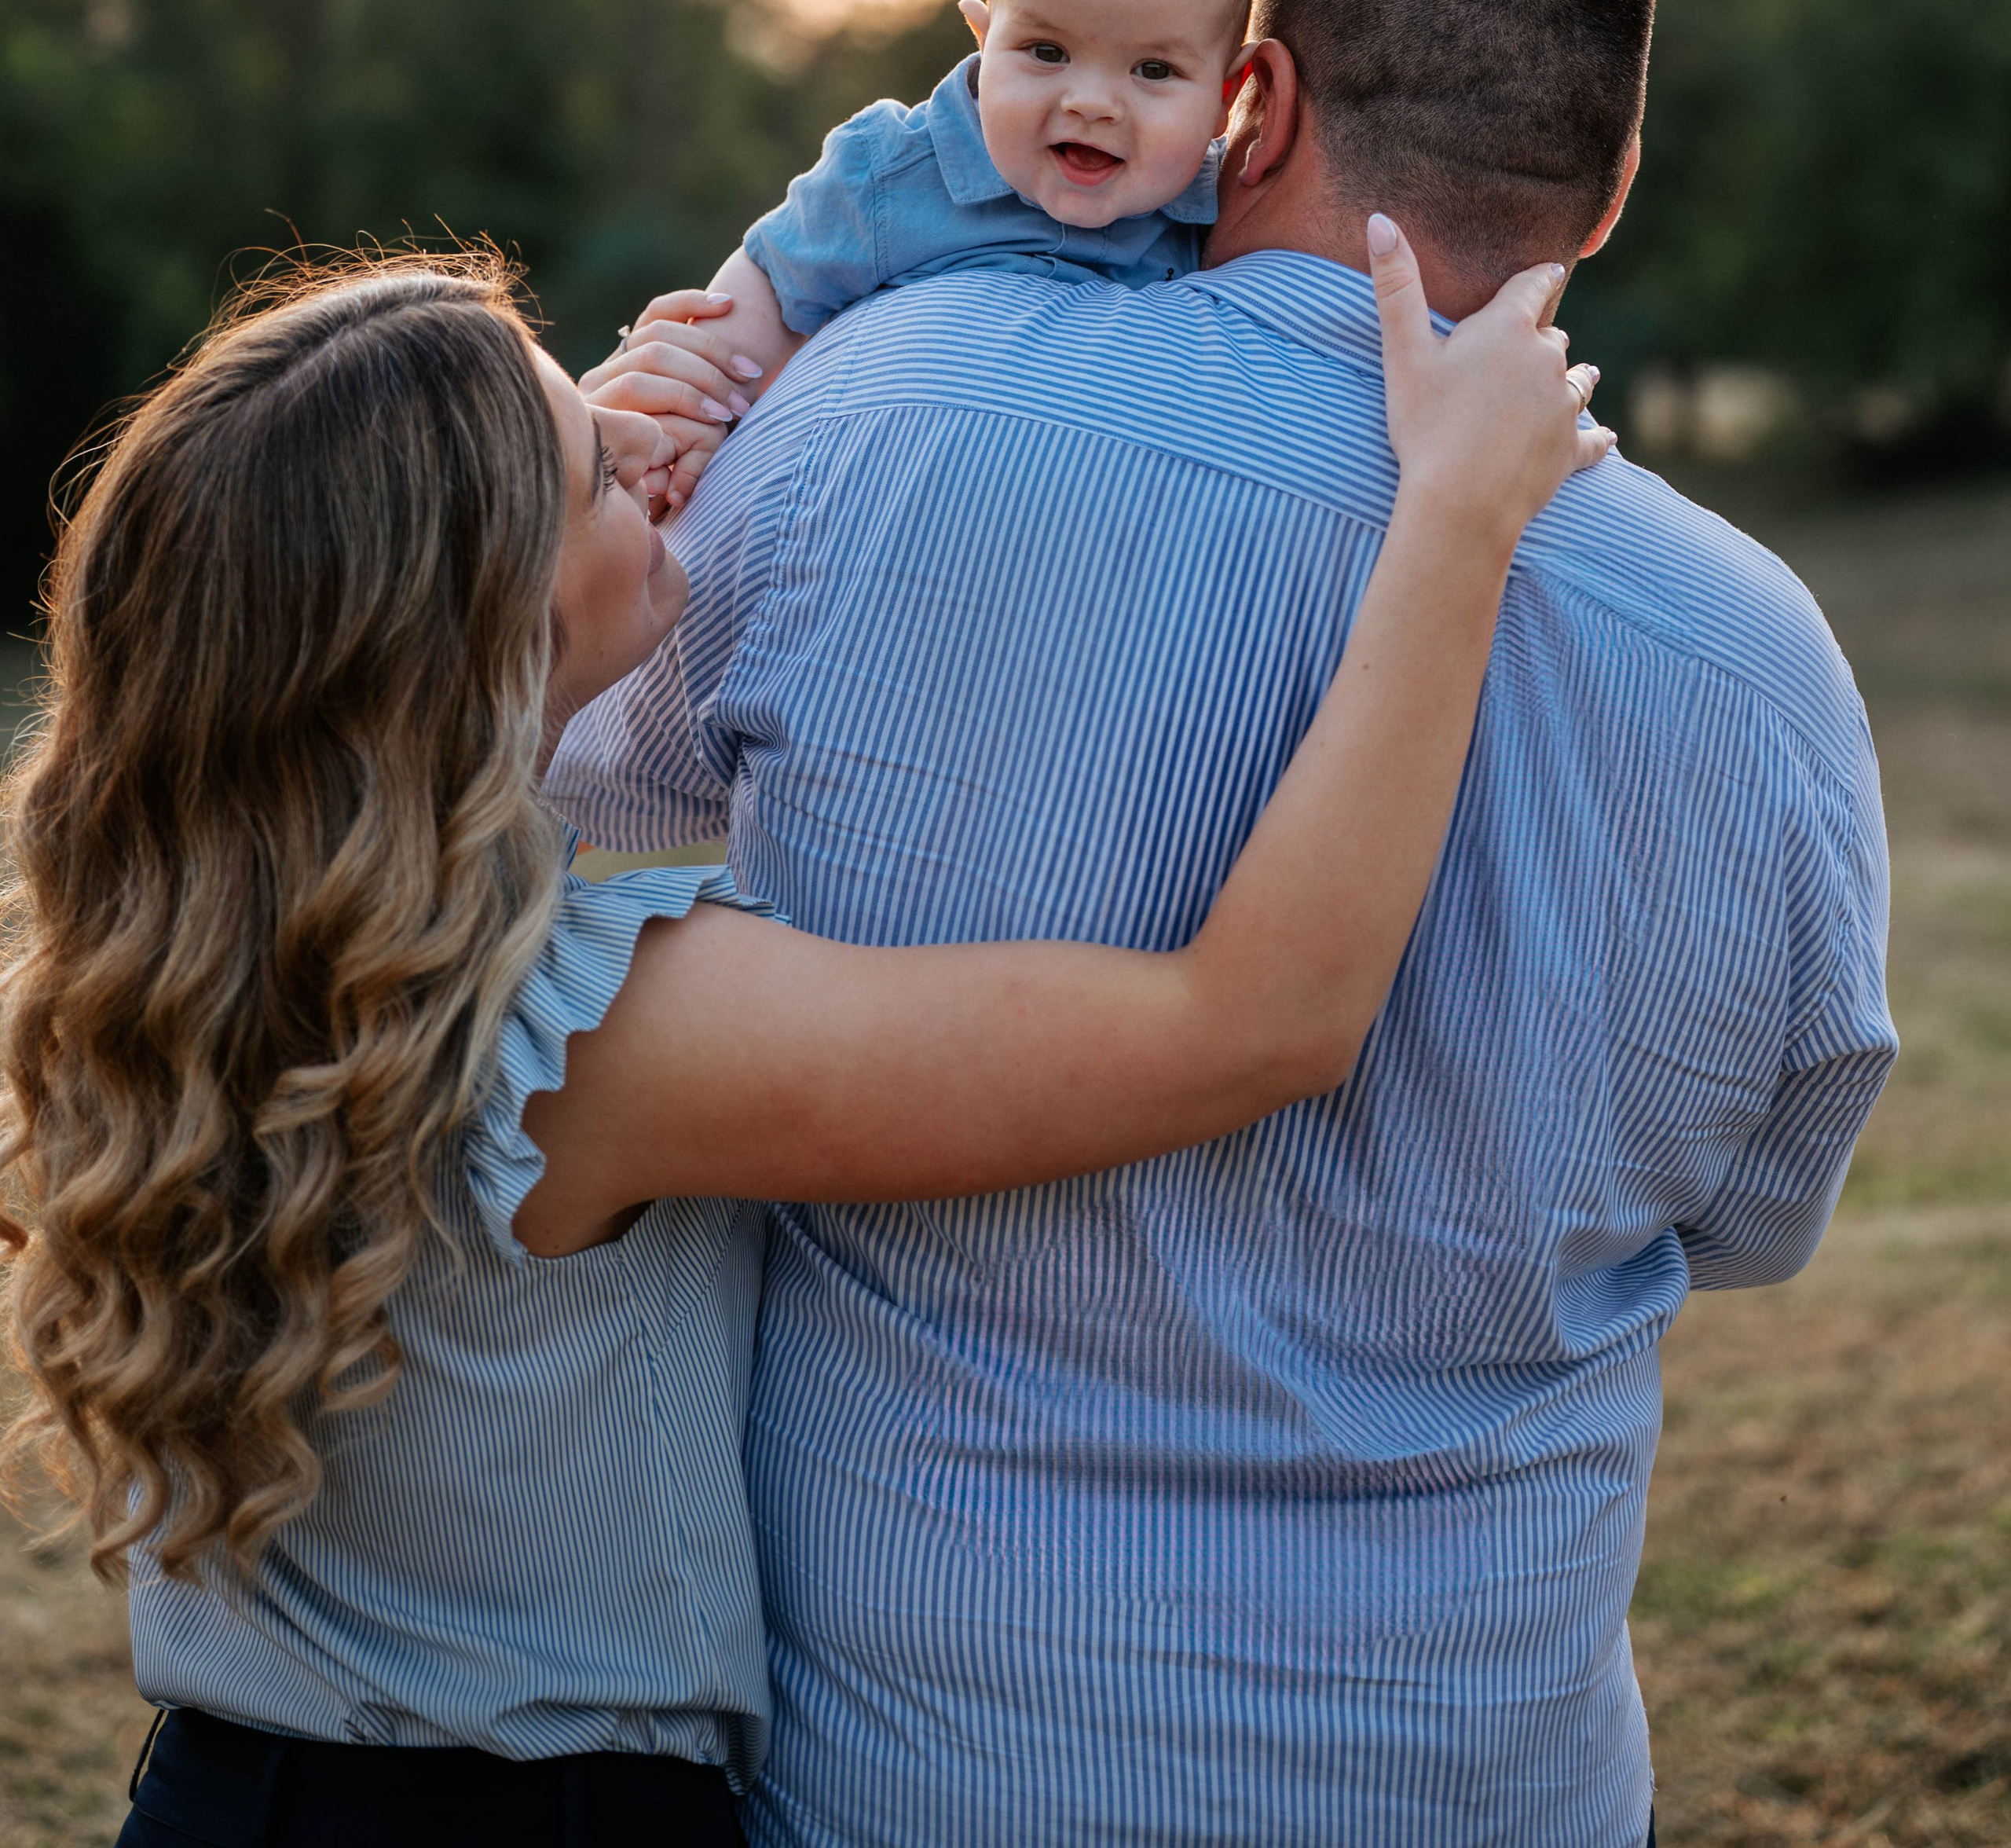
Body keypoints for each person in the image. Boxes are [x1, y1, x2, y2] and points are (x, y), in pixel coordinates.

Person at [561, 0, 1896, 1848]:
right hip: (1482, 1783)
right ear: (1611, 184)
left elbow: (575, 798)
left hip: (921, 1774)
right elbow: (1754, 1218)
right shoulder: (1759, 666)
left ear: (1252, 96)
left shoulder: (866, 419)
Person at [0, 227, 1602, 1848]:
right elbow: (1253, 1025)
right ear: (483, 626)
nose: (647, 448)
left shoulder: (145, 972)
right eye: (593, 465)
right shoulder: (592, 1039)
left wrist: (559, 474)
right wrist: (1459, 514)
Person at [619, 0, 1266, 515]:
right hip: (876, 503)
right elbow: (773, 282)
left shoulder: (1225, 216)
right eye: (1046, 52)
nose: (1090, 102)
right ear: (984, 40)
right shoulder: (895, 171)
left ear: (1226, 95)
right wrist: (700, 410)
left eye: (1153, 69)